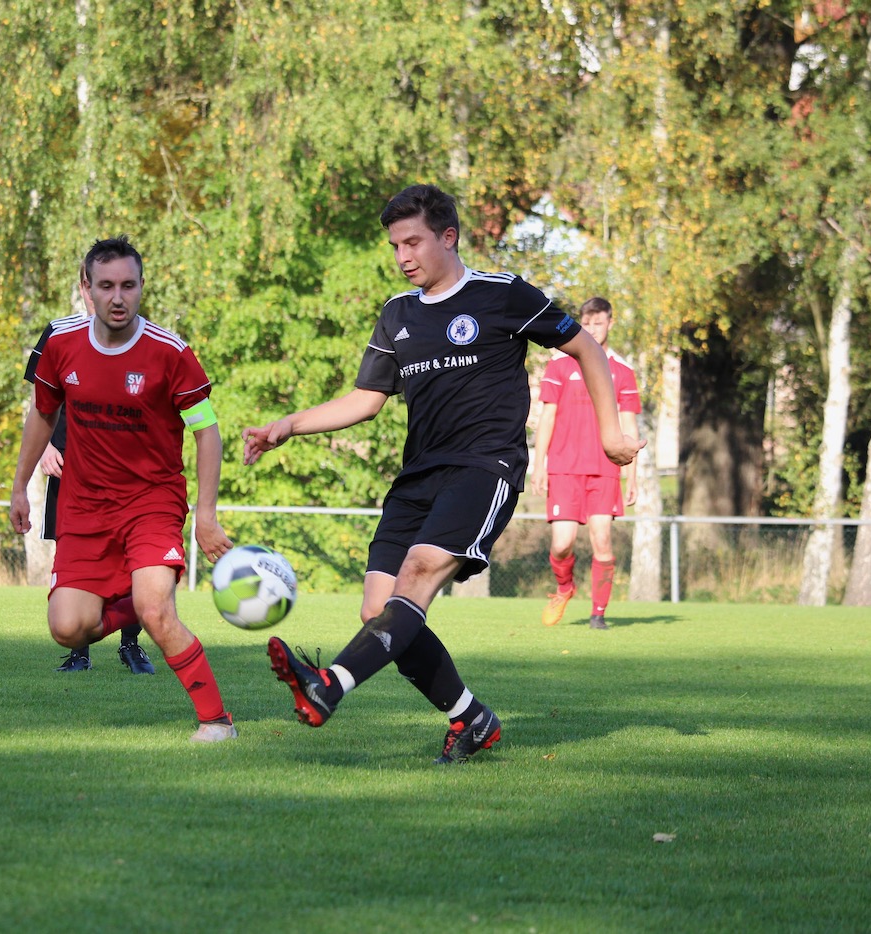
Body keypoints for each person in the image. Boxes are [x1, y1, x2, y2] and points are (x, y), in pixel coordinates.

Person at [244, 184, 642, 764]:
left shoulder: (501, 293)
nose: (403, 256)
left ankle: (329, 686)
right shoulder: (397, 314)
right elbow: (365, 399)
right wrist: (290, 425)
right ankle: (472, 719)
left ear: (448, 237)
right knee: (378, 611)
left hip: (485, 466)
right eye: (394, 246)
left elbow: (586, 348)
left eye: (413, 242)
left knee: (419, 570)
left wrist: (610, 435)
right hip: (418, 476)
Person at [9, 236, 236, 742]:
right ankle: (142, 596)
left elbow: (207, 431)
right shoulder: (61, 343)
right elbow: (43, 414)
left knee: (157, 611)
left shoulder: (170, 352)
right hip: (84, 507)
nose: (118, 297)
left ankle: (216, 721)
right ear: (86, 288)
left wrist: (205, 514)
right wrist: (20, 486)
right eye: (106, 286)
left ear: (141, 287)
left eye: (128, 286)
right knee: (67, 628)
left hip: (151, 501)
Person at [26, 315, 154, 675]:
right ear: (87, 288)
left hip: (123, 473)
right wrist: (45, 446)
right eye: (96, 286)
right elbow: (39, 401)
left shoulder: (140, 334)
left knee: (131, 558)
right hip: (69, 467)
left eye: (121, 287)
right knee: (73, 556)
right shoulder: (57, 332)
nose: (108, 294)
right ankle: (79, 653)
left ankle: (130, 645)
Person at [530, 297, 642, 629]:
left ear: (610, 323)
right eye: (587, 323)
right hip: (564, 467)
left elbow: (629, 426)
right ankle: (564, 587)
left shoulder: (622, 371)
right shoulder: (560, 366)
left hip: (604, 469)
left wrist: (632, 475)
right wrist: (539, 465)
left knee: (602, 540)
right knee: (561, 544)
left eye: (599, 323)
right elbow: (547, 418)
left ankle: (599, 614)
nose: (592, 329)